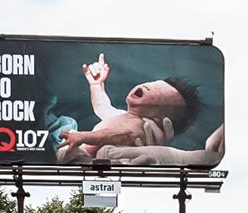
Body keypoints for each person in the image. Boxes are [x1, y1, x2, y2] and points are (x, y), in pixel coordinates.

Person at [56, 54, 217, 165]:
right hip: (79, 148)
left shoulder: (139, 126)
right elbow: (102, 106)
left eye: (158, 95)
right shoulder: (121, 115)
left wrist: (83, 136)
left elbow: (116, 135)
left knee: (61, 143)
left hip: (83, 156)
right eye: (152, 84)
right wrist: (96, 85)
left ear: (160, 119)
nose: (148, 87)